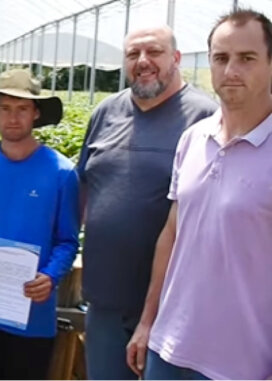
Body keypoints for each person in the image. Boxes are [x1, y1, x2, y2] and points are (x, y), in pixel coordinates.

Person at [126, 9, 272, 380]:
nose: (231, 70)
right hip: (169, 349)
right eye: (221, 58)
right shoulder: (193, 138)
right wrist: (148, 322)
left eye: (247, 58)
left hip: (244, 364)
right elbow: (173, 234)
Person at [77, 26, 218, 379]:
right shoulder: (105, 113)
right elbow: (84, 187)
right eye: (132, 55)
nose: (143, 62)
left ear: (176, 58)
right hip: (106, 302)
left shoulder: (204, 119)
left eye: (153, 52)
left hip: (174, 311)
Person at [0, 69, 80, 380]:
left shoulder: (61, 172)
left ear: (36, 113)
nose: (13, 117)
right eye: (6, 108)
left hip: (31, 315)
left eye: (23, 108)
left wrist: (50, 276)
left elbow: (67, 240)